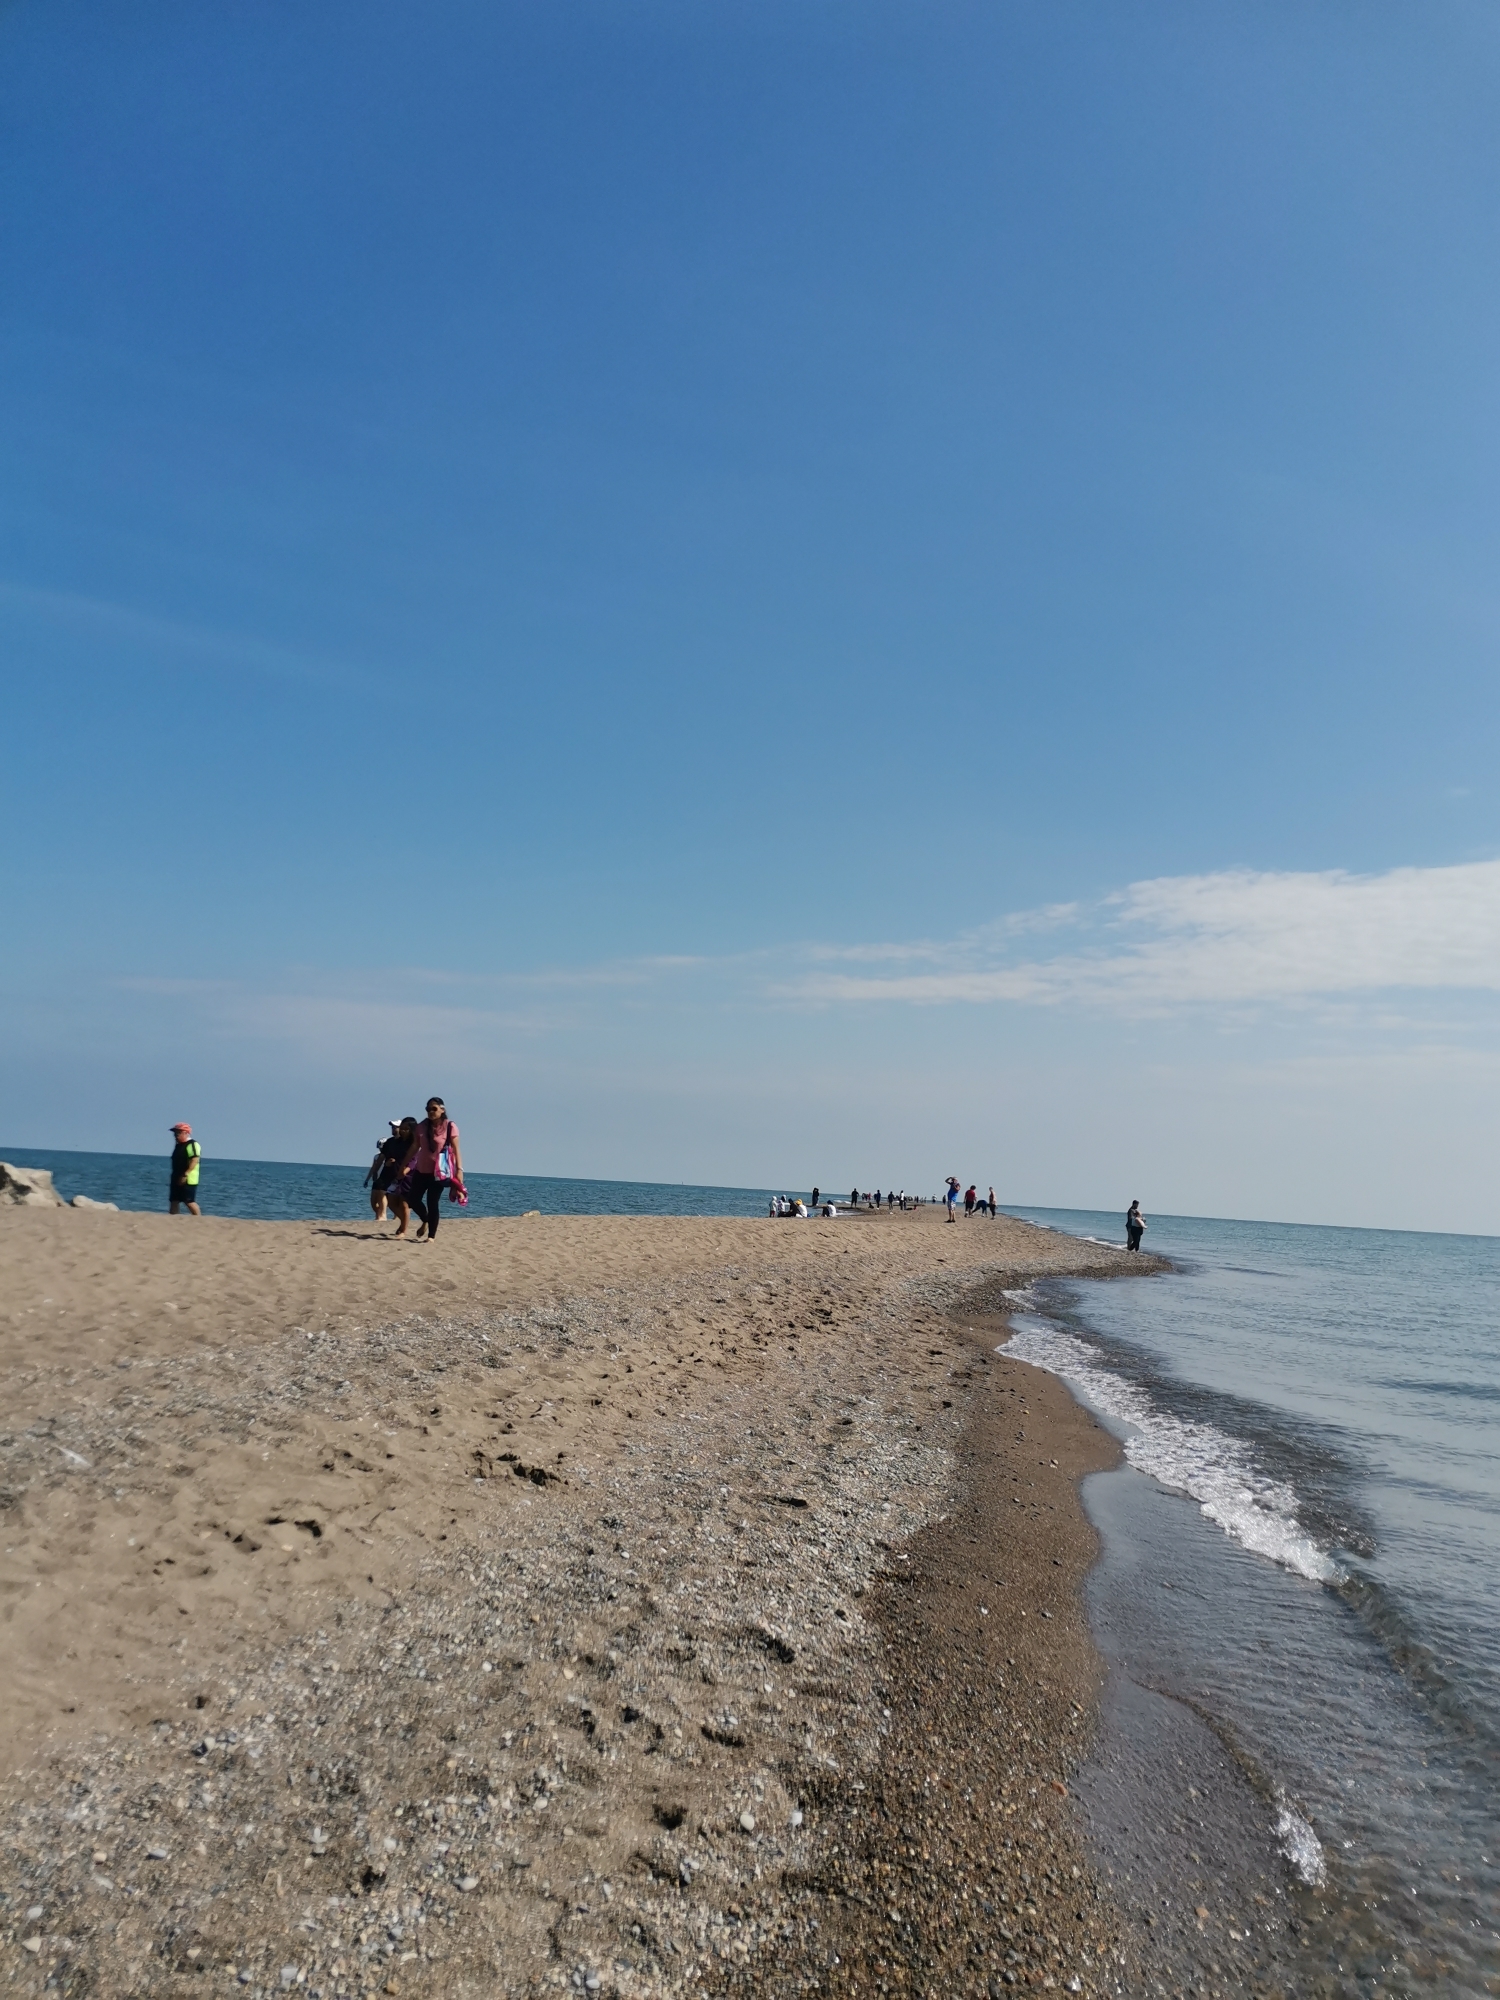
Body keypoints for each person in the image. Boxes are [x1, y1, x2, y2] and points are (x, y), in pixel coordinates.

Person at [395, 1097, 464, 1241]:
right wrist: (404, 1165)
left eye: (434, 1108)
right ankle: (426, 1219)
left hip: (439, 1173)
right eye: (428, 1109)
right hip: (421, 1170)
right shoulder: (421, 1126)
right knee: (412, 1200)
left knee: (432, 1203)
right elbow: (415, 1146)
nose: (430, 1112)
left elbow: (456, 1150)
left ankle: (431, 1236)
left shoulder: (450, 1126)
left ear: (442, 1109)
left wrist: (459, 1170)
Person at [364, 1120, 406, 1222]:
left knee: (392, 1196)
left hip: (399, 1172)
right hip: (386, 1172)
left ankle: (386, 1216)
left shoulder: (405, 1142)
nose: (393, 1129)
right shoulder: (389, 1142)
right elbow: (381, 1157)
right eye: (392, 1127)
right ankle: (381, 1215)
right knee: (377, 1193)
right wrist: (375, 1172)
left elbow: (409, 1157)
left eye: (395, 1127)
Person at [168, 1122, 202, 1215]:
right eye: (175, 1133)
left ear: (186, 1133)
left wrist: (186, 1174)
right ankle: (173, 1218)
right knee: (174, 1200)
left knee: (189, 1201)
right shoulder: (178, 1145)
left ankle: (198, 1218)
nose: (176, 1135)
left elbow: (195, 1160)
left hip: (189, 1179)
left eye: (178, 1133)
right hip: (176, 1176)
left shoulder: (192, 1144)